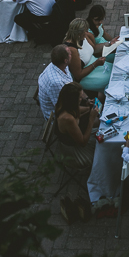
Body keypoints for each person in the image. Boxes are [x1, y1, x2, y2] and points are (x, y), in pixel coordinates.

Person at [53, 81, 99, 223]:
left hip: (76, 142)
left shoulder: (66, 107)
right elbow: (83, 142)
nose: (82, 98)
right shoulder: (67, 118)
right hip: (75, 153)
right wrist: (91, 119)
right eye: (80, 98)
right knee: (102, 150)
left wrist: (88, 106)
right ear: (72, 100)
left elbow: (78, 111)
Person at [37, 44, 73, 119]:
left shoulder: (59, 65)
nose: (71, 54)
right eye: (70, 54)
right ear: (65, 60)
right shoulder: (56, 83)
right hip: (60, 118)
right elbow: (63, 108)